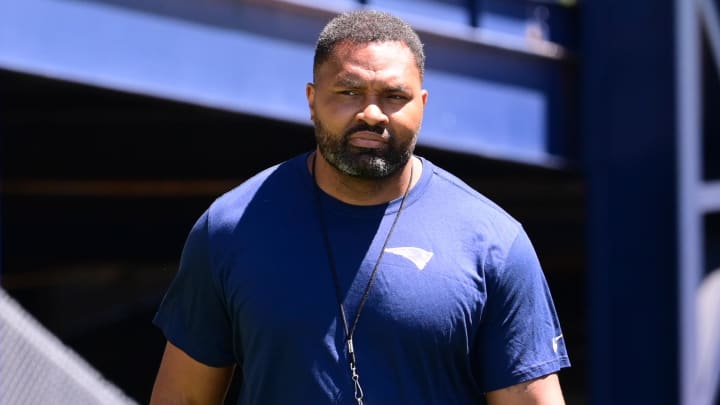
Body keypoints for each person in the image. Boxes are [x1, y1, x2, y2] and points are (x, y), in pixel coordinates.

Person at [149, 9, 571, 405]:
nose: (372, 113)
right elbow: (181, 397)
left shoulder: (492, 241)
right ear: (312, 99)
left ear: (422, 106)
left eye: (393, 96)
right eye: (349, 92)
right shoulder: (230, 228)